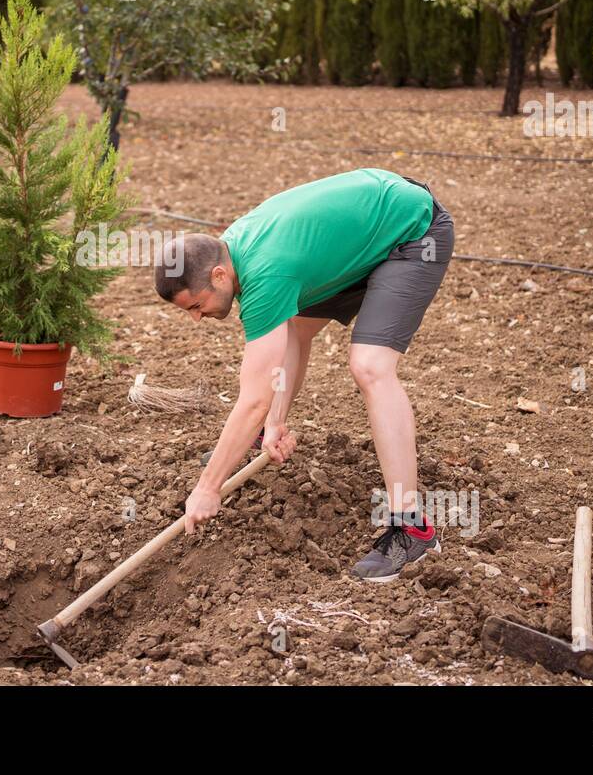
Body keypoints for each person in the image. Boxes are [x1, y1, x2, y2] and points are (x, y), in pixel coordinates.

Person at [153, 168, 455, 582]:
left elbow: (254, 396)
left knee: (370, 365)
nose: (195, 319)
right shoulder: (234, 251)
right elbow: (286, 346)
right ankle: (264, 434)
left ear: (219, 276)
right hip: (372, 221)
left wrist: (207, 487)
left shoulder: (266, 273)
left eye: (195, 305)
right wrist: (274, 423)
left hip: (412, 232)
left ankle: (412, 528)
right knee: (296, 325)